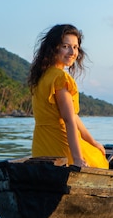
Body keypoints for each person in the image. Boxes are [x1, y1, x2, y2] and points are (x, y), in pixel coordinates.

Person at [27, 24, 108, 169]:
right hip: (61, 147)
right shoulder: (60, 78)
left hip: (40, 147)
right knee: (101, 161)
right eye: (66, 46)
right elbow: (69, 120)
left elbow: (73, 117)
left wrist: (92, 142)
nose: (72, 52)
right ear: (54, 48)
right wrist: (77, 159)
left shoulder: (41, 76)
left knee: (95, 149)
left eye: (75, 47)